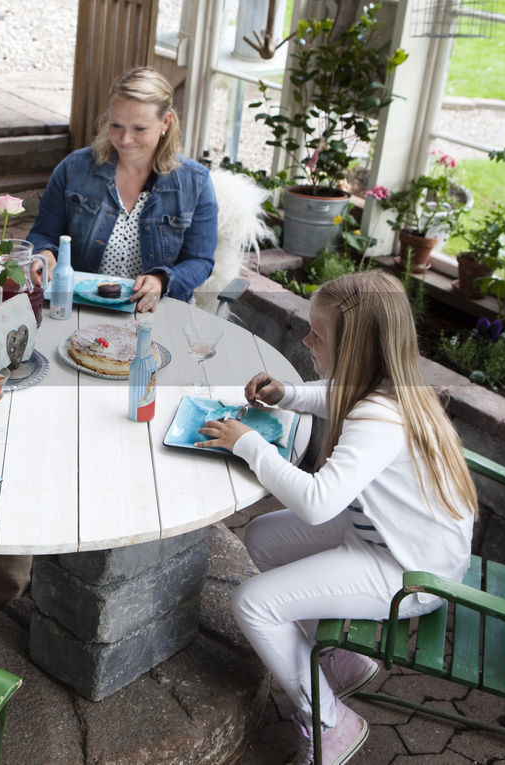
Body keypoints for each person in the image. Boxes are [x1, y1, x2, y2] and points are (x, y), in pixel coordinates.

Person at [198, 270, 477, 765]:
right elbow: (338, 394)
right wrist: (288, 395)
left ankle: (332, 724)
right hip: (392, 536)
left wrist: (249, 444)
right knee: (262, 535)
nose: (307, 340)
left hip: (411, 573)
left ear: (355, 351)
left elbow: (316, 501)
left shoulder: (378, 419)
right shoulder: (391, 386)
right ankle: (342, 659)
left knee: (254, 604)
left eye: (317, 335)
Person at [26, 67, 218, 313]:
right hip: (80, 309)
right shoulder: (73, 168)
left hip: (157, 312)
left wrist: (162, 281)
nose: (125, 139)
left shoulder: (196, 182)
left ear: (165, 122)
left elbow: (200, 261)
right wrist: (44, 253)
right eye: (116, 125)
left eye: (139, 129)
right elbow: (43, 233)